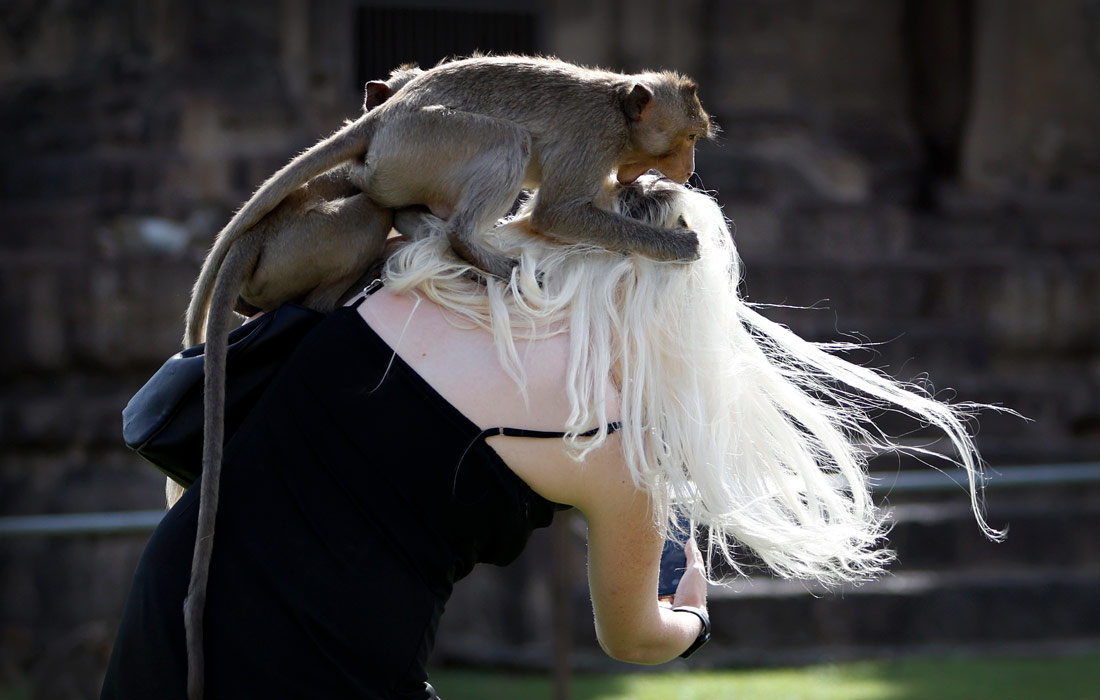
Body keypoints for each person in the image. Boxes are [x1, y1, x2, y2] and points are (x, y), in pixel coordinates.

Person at [102, 175, 996, 698]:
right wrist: (690, 613)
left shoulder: (414, 278)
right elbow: (633, 638)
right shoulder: (613, 438)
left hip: (174, 607)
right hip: (324, 665)